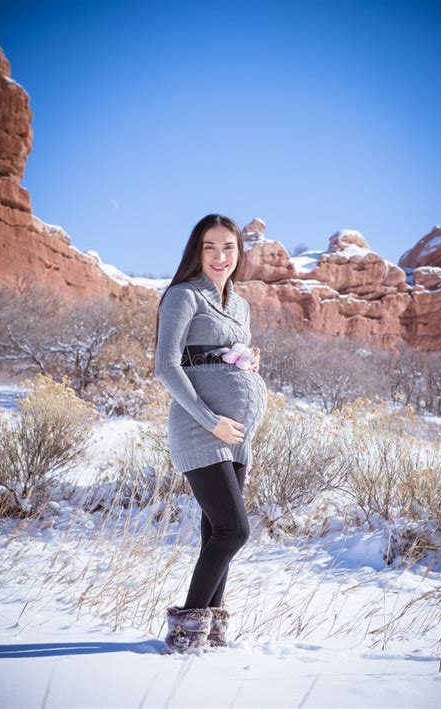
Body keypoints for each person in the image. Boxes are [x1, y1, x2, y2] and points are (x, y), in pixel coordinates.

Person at [154, 213, 269, 654]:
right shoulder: (183, 296)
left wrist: (246, 360)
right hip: (202, 429)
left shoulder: (239, 305)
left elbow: (218, 355)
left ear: (239, 253)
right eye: (210, 247)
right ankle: (185, 631)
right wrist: (211, 420)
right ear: (196, 251)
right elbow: (167, 366)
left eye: (229, 248)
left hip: (238, 434)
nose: (220, 257)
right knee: (233, 531)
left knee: (214, 532)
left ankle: (210, 634)